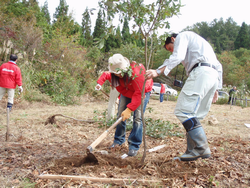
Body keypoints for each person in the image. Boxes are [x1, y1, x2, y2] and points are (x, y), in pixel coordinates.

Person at [146, 31, 223, 161]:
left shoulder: (182, 36)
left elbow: (177, 56)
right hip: (213, 76)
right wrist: (216, 88)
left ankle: (201, 148)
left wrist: (157, 71)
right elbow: (219, 65)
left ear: (173, 39)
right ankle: (192, 151)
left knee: (183, 111)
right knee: (194, 115)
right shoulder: (202, 44)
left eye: (170, 48)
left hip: (201, 72)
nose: (171, 51)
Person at [95, 53, 146, 156]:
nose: (117, 75)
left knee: (138, 118)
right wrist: (99, 83)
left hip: (141, 93)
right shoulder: (114, 74)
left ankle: (134, 145)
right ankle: (118, 141)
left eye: (118, 72)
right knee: (120, 115)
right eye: (115, 73)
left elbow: (139, 93)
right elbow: (106, 75)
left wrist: (130, 108)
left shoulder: (136, 73)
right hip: (127, 92)